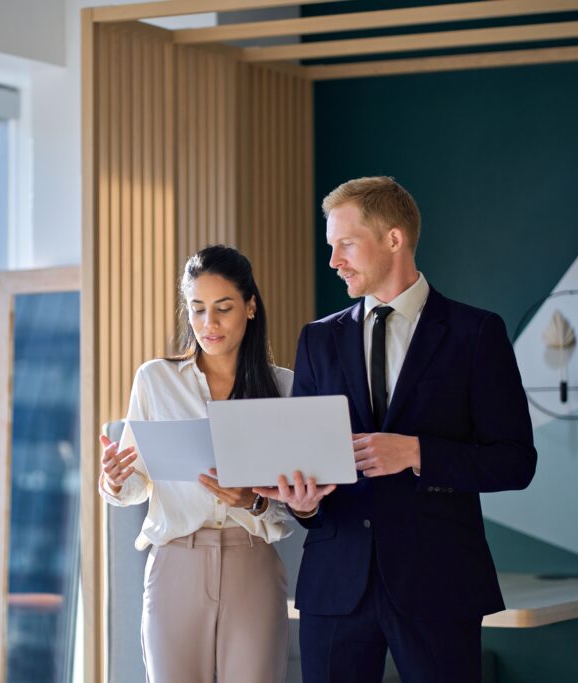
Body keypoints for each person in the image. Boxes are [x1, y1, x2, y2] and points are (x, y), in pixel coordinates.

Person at [256, 177, 537, 682]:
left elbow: (516, 461)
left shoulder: (475, 333)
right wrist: (304, 502)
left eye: (345, 243)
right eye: (331, 247)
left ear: (393, 239)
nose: (334, 260)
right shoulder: (318, 339)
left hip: (439, 582)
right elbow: (306, 462)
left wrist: (416, 452)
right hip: (336, 585)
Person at [99, 244, 293, 683]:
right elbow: (134, 486)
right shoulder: (155, 380)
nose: (210, 324)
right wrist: (114, 479)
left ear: (250, 306)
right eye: (198, 309)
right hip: (175, 566)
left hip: (253, 565)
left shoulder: (284, 387)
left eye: (223, 308)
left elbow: (293, 505)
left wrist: (254, 501)